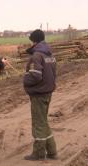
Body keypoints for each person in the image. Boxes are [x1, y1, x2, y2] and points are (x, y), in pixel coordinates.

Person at [23, 29, 57, 160]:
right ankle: (52, 151)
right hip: (48, 91)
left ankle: (38, 153)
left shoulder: (36, 55)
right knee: (43, 121)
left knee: (38, 123)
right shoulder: (50, 54)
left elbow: (35, 76)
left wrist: (25, 80)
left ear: (34, 40)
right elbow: (53, 73)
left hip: (39, 93)